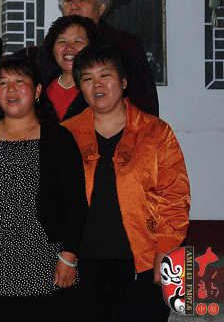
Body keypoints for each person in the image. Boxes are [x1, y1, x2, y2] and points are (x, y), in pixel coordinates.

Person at [62, 43, 190, 322]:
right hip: (82, 264)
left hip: (143, 262)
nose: (97, 84)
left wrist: (166, 251)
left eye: (105, 75)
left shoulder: (156, 132)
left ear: (123, 81)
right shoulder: (65, 134)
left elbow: (175, 196)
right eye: (87, 78)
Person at [0, 55, 88, 322]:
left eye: (19, 81)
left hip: (48, 263)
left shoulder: (58, 138)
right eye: (3, 82)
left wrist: (69, 256)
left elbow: (76, 203)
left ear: (37, 91)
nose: (11, 89)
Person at [36, 0, 159, 117]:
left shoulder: (125, 44)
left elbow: (145, 100)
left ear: (101, 8)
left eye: (82, 0)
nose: (74, 6)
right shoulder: (51, 47)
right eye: (68, 0)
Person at [39, 15, 102, 121]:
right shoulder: (40, 87)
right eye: (62, 41)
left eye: (78, 41)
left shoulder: (100, 87)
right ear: (52, 48)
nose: (69, 48)